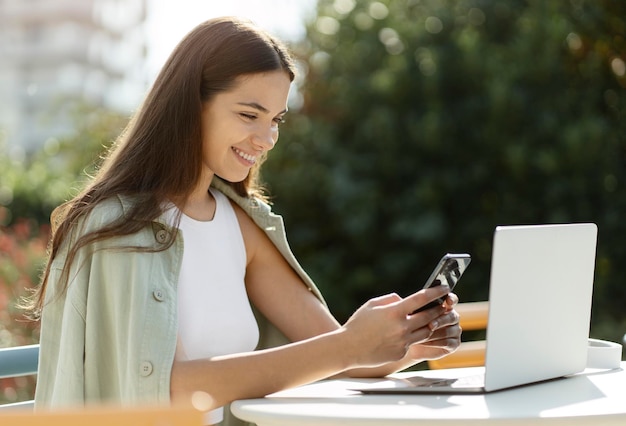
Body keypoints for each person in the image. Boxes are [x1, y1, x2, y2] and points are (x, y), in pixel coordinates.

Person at [28, 17, 461, 425]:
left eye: (275, 120)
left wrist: (409, 338)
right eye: (249, 115)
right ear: (190, 106)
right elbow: (166, 389)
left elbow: (334, 350)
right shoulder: (118, 229)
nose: (267, 138)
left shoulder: (241, 222)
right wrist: (350, 346)